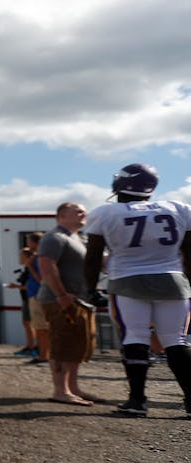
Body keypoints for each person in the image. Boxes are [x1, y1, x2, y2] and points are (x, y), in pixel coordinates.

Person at [83, 164, 191, 417]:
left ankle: (137, 400)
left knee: (135, 336)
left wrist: (90, 288)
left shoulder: (105, 213)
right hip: (172, 279)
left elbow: (93, 256)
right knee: (176, 339)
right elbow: (190, 253)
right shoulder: (179, 208)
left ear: (120, 183)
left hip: (127, 280)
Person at [36, 202, 97, 406]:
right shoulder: (54, 237)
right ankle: (60, 391)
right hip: (59, 300)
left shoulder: (78, 238)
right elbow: (46, 266)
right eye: (78, 211)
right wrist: (61, 295)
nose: (83, 213)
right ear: (61, 215)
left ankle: (73, 387)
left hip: (79, 300)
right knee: (63, 344)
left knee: (78, 344)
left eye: (84, 211)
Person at [20, 233, 51, 364]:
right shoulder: (40, 257)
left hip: (38, 295)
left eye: (28, 241)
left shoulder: (38, 259)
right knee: (42, 328)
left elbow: (41, 279)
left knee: (41, 328)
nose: (27, 244)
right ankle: (45, 354)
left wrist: (30, 266)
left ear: (35, 243)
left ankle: (44, 356)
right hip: (37, 295)